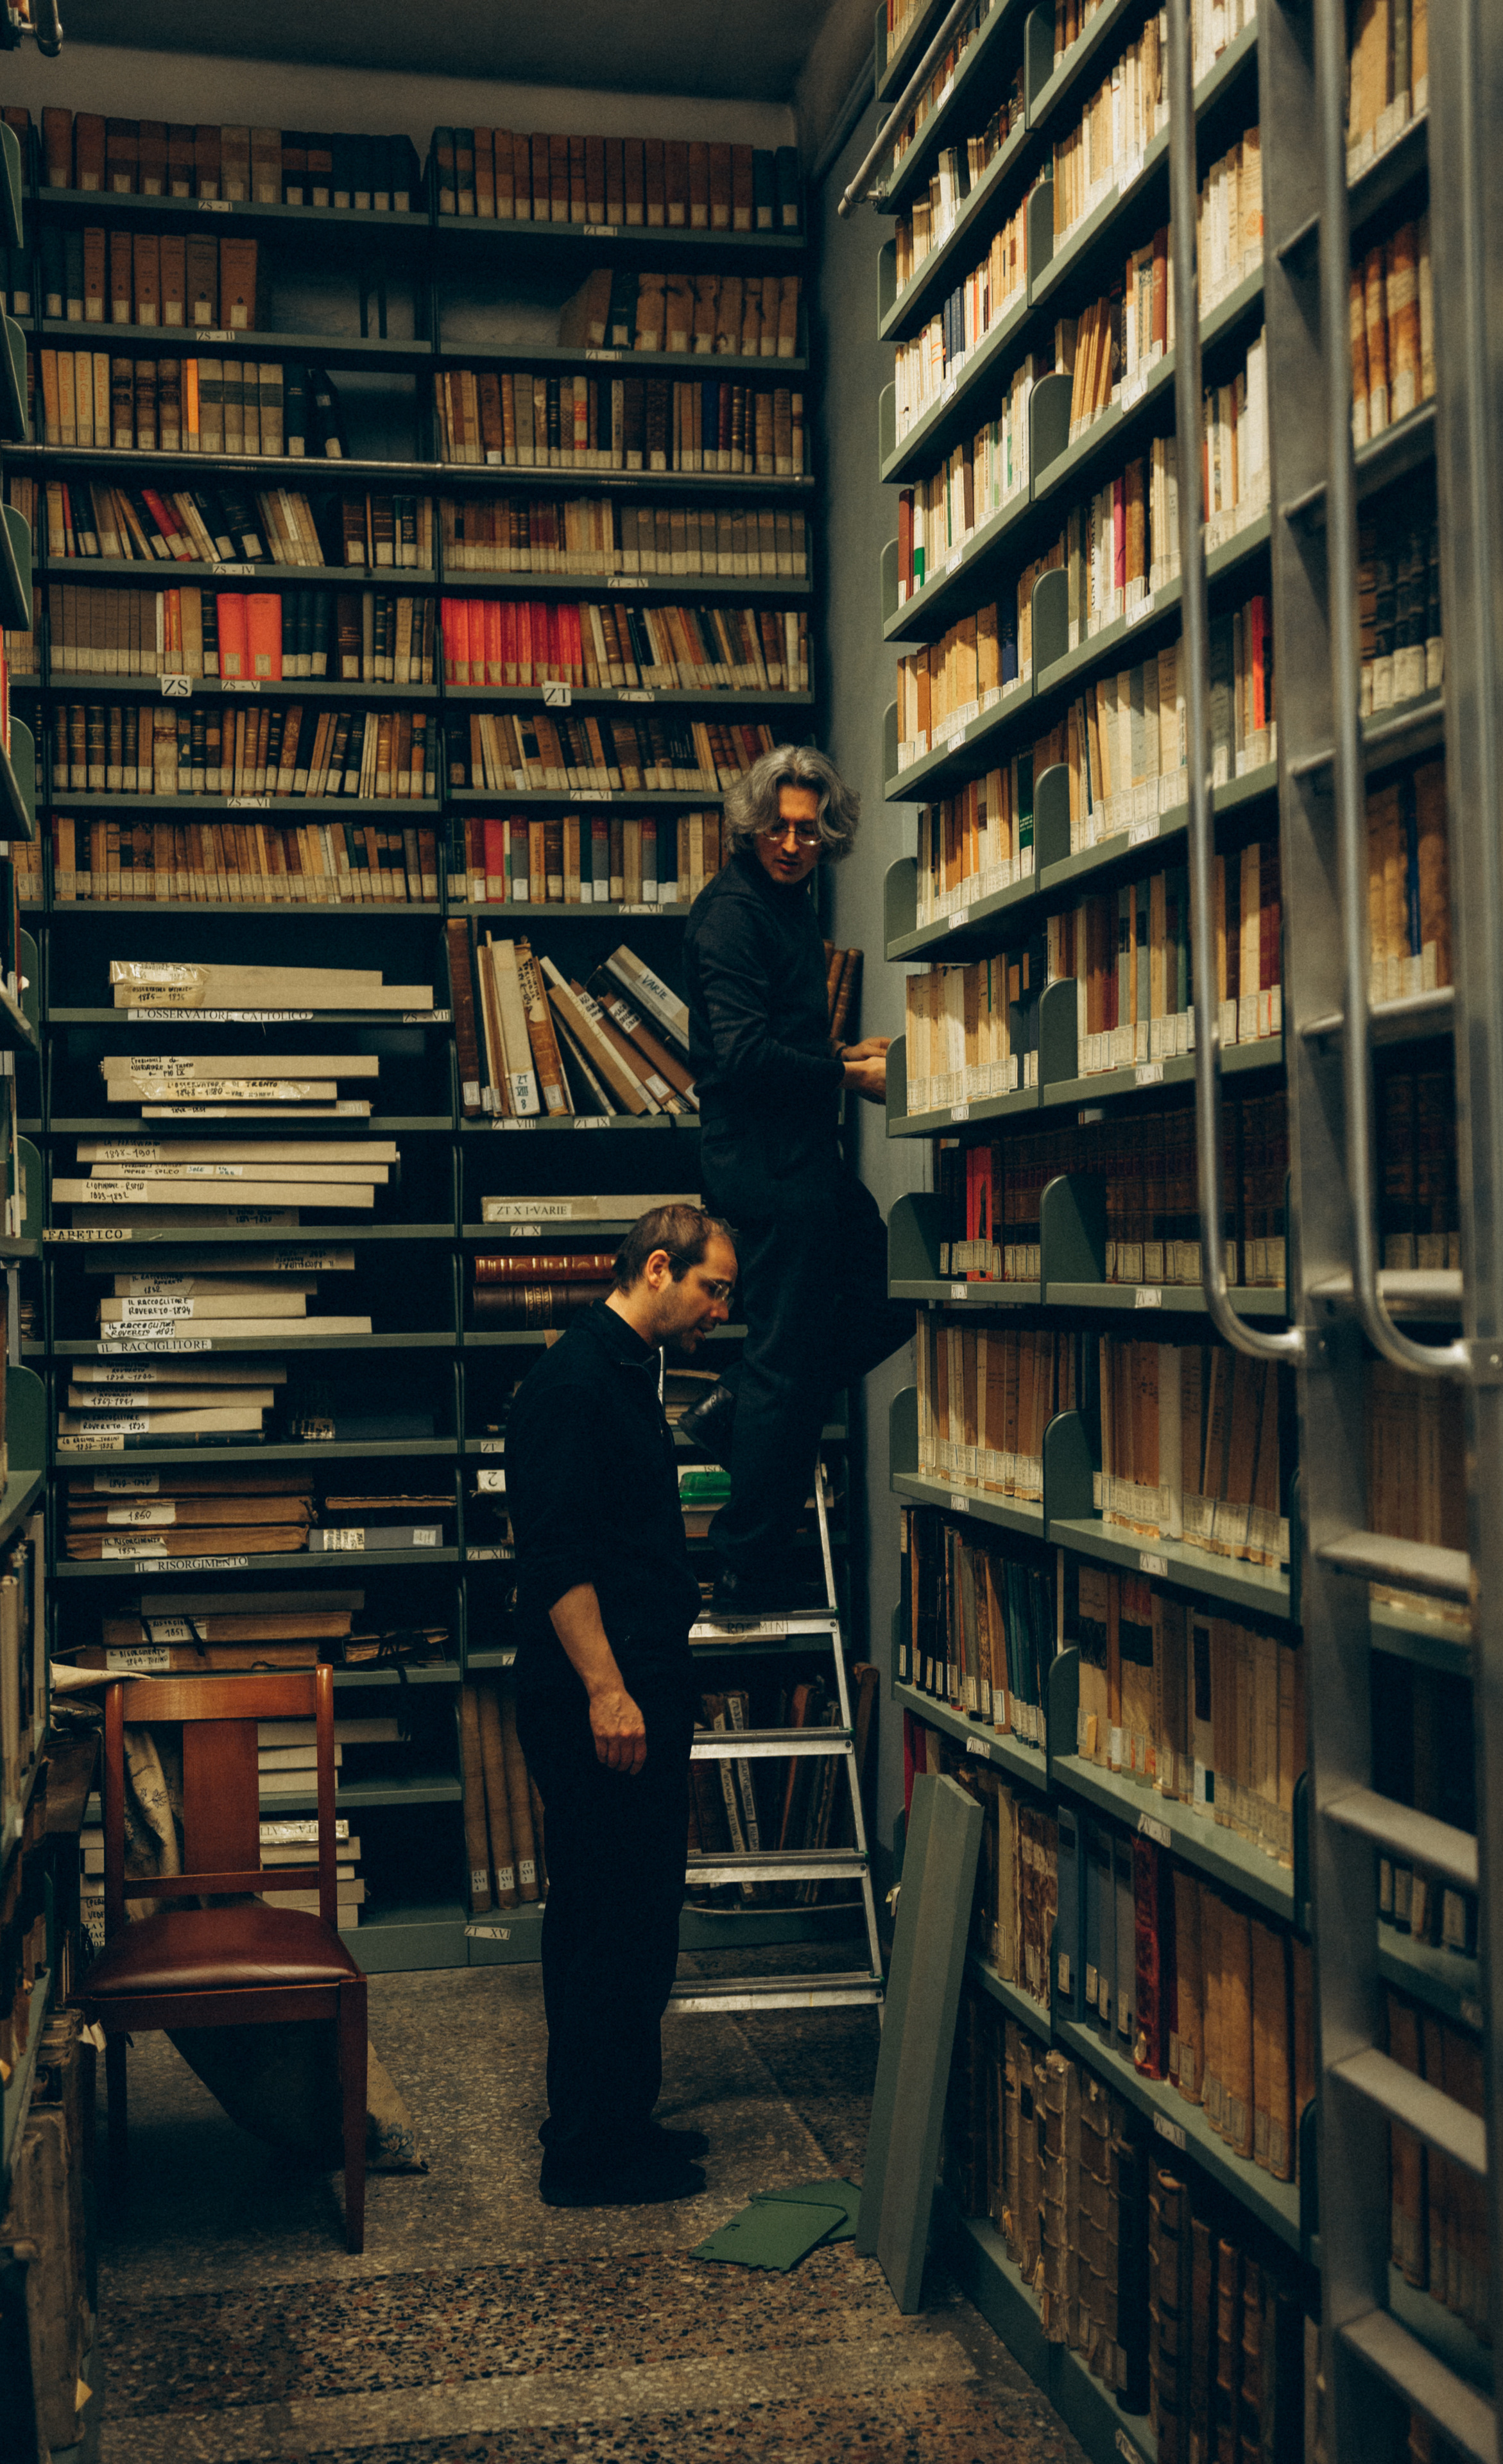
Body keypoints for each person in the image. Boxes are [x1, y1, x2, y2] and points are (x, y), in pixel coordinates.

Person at [508, 1202, 737, 2207]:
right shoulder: (571, 1383)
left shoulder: (629, 1372)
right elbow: (556, 1558)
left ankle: (622, 2121)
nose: (720, 1310)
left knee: (642, 1916)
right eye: (712, 1287)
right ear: (657, 1268)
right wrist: (607, 1691)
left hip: (643, 1681)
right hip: (600, 1694)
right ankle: (586, 2154)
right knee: (603, 1919)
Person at [680, 745, 914, 1616]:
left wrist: (841, 1057)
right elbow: (736, 1056)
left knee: (891, 1297)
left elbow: (777, 1036)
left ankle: (731, 1403)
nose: (790, 843)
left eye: (807, 830)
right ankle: (743, 1567)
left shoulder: (786, 903)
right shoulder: (732, 916)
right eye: (775, 827)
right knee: (787, 1365)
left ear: (829, 832)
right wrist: (846, 1075)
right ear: (749, 826)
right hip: (767, 1168)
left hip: (805, 1157)